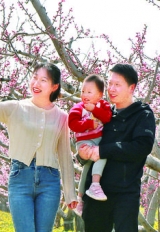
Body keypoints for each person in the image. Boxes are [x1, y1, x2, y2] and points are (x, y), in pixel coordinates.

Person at [0, 62, 77, 232]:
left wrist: (70, 193)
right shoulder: (16, 107)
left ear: (54, 86)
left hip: (50, 181)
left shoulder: (62, 117)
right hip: (20, 178)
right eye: (34, 77)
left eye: (43, 80)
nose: (36, 83)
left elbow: (65, 156)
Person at [78, 64, 156, 232]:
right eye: (110, 83)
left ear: (131, 87)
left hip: (125, 194)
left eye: (117, 84)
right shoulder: (102, 113)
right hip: (95, 193)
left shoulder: (143, 114)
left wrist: (104, 150)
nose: (111, 89)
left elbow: (142, 146)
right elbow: (89, 142)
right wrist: (82, 155)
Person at [68, 74, 112, 216]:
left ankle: (80, 198)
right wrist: (88, 123)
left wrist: (94, 109)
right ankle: (94, 185)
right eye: (82, 91)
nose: (84, 95)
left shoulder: (102, 105)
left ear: (99, 94)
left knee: (87, 168)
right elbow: (72, 124)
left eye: (89, 92)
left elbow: (107, 117)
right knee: (100, 155)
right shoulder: (78, 108)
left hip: (99, 141)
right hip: (85, 142)